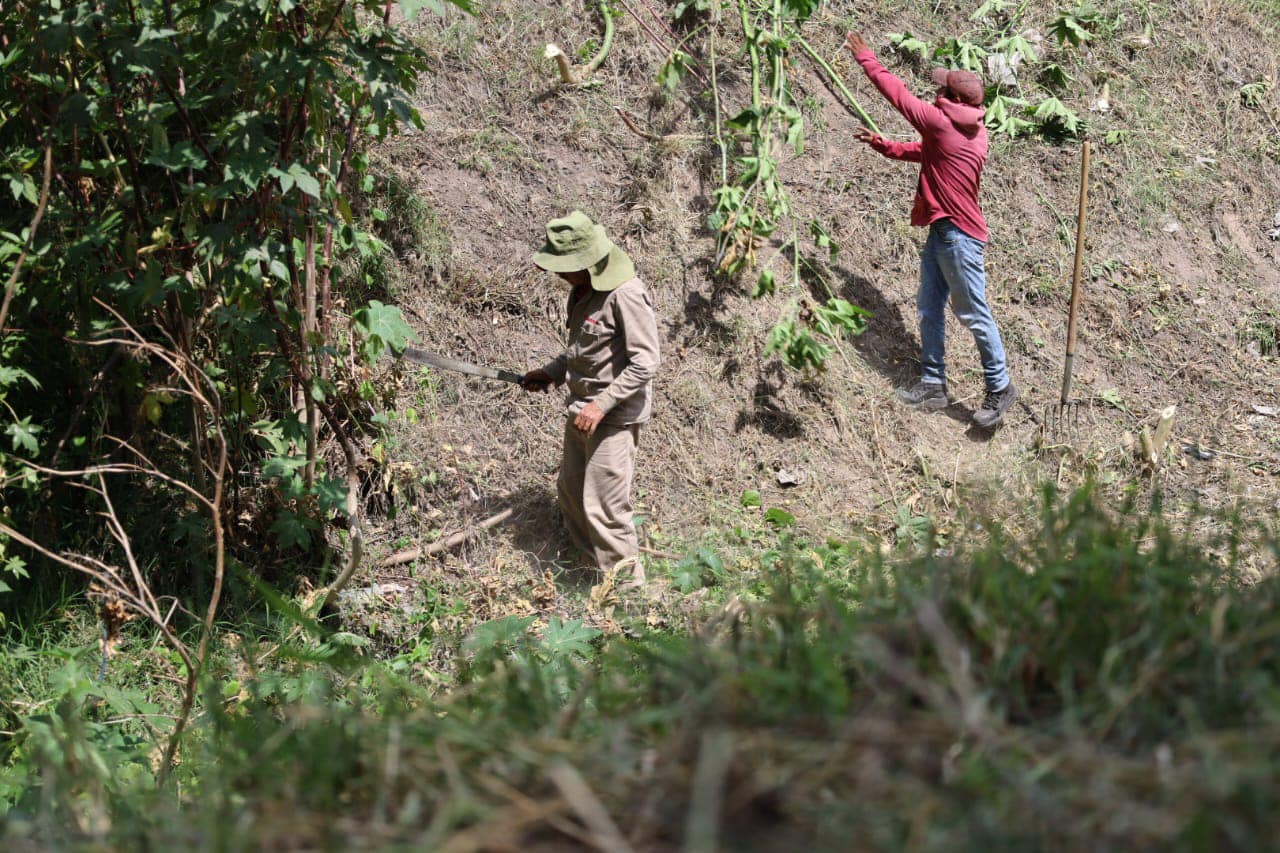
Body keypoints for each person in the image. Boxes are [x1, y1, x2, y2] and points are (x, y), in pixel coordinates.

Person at [845, 32, 1018, 429]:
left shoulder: (940, 122)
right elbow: (928, 152)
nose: (935, 90)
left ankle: (1001, 385)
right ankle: (933, 384)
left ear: (954, 100)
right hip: (944, 233)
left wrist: (866, 58)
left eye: (941, 88)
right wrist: (885, 146)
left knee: (974, 314)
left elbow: (899, 96)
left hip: (959, 237)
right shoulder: (972, 131)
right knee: (928, 307)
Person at [521, 211, 660, 582]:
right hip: (582, 411)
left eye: (564, 266)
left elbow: (645, 361)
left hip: (612, 418)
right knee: (572, 495)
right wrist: (551, 372)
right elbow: (585, 349)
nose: (558, 274)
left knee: (606, 509)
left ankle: (632, 601)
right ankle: (593, 577)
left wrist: (601, 404)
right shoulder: (583, 292)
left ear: (586, 262)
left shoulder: (626, 294)